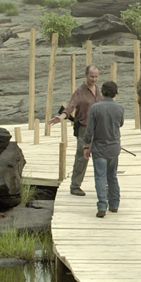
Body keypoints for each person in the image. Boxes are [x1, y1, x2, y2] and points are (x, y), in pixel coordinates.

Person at [48, 65, 101, 196]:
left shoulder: (98, 90)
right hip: (84, 128)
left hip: (98, 129)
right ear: (85, 76)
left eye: (96, 77)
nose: (94, 79)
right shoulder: (79, 91)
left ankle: (102, 185)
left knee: (100, 157)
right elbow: (70, 106)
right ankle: (75, 185)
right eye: (91, 77)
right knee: (82, 157)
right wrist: (61, 117)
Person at [84, 81, 125, 218]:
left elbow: (89, 131)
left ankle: (102, 205)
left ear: (102, 92)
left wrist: (86, 146)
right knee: (112, 176)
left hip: (99, 148)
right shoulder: (120, 108)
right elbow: (121, 124)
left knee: (100, 177)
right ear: (115, 93)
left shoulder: (95, 108)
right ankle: (114, 204)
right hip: (114, 148)